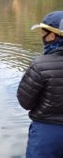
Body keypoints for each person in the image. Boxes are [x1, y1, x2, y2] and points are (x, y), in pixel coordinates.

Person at [17, 11, 63, 158]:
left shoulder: (40, 65)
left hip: (47, 132)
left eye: (44, 32)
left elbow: (25, 102)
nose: (42, 36)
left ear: (54, 36)